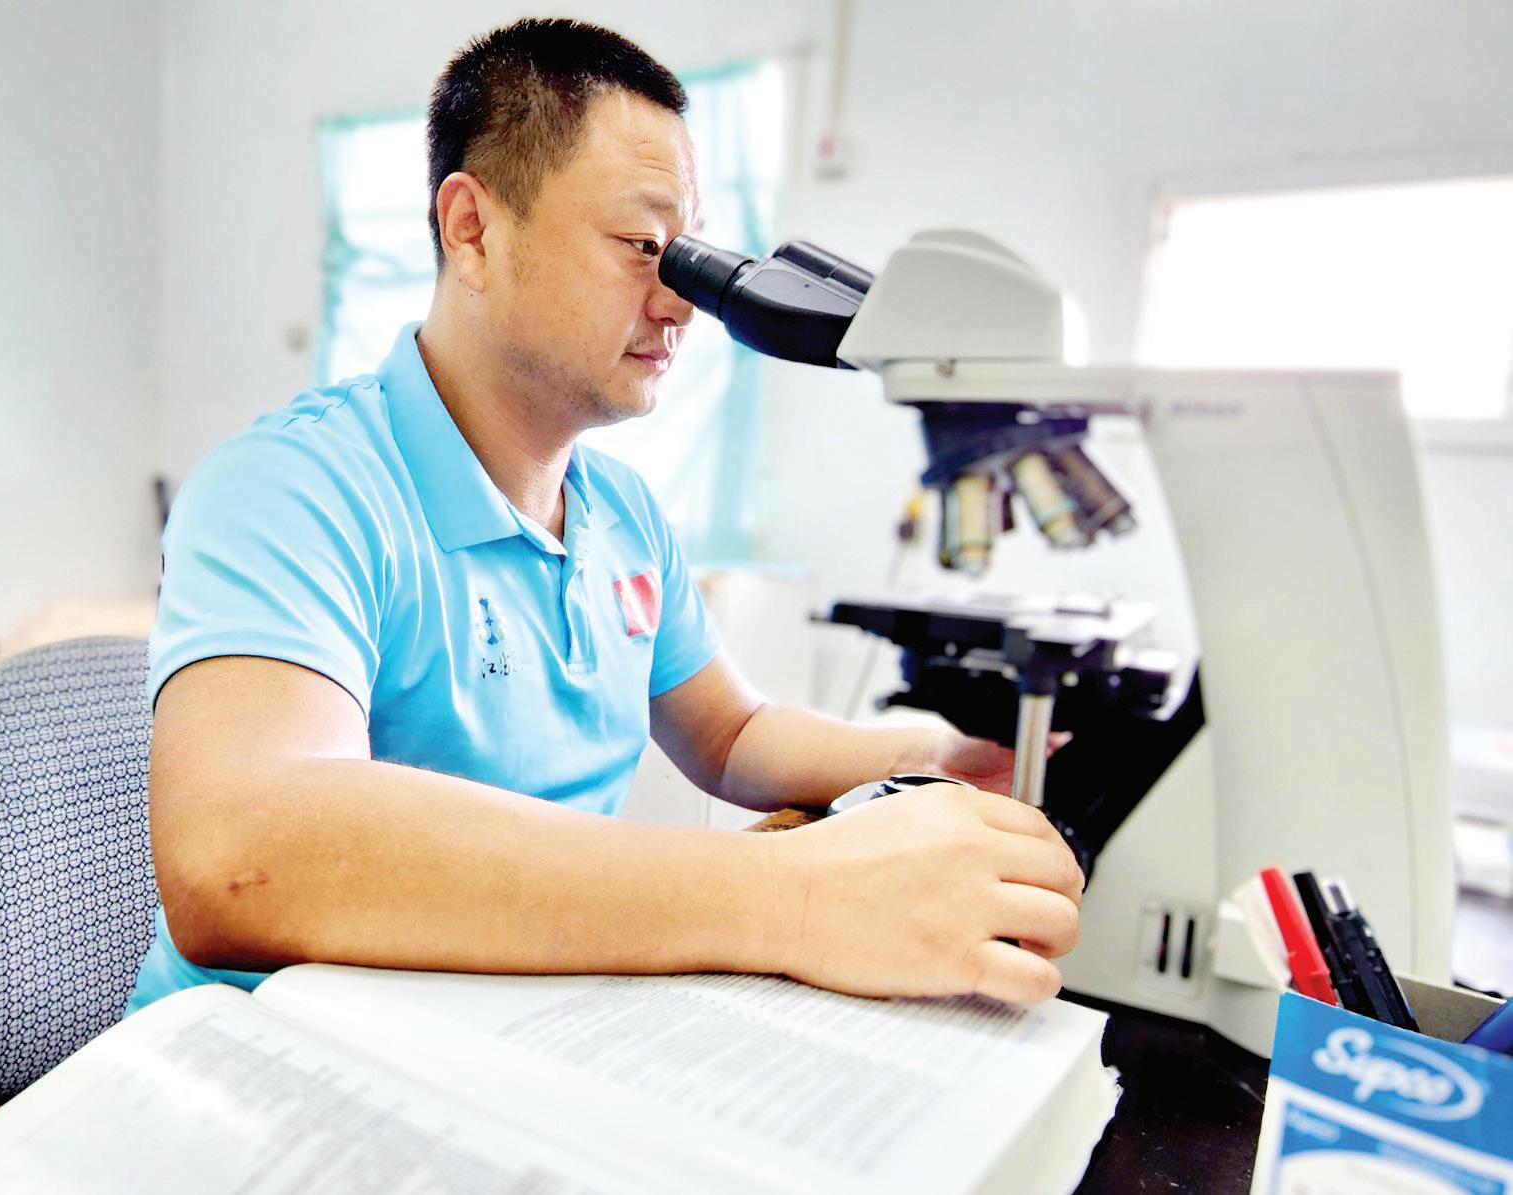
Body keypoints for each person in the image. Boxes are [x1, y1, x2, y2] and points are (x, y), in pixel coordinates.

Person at [126, 18, 1083, 1015]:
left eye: (688, 256)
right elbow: (239, 861)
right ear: (472, 230)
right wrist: (793, 898)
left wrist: (932, 760)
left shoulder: (622, 513)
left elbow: (734, 734)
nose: (681, 305)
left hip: (509, 1027)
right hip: (265, 1054)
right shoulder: (291, 486)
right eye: (644, 247)